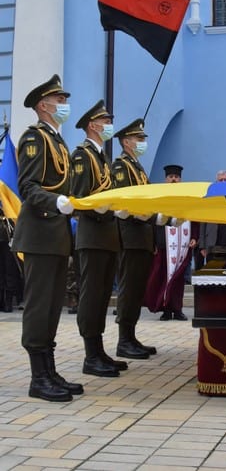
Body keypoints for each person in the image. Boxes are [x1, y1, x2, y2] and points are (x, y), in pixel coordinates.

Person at [12, 74, 83, 402]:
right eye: (61, 100)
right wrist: (56, 202)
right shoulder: (34, 138)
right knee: (40, 307)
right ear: (44, 105)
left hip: (55, 236)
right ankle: (38, 378)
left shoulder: (57, 139)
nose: (65, 105)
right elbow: (28, 187)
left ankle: (50, 370)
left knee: (53, 306)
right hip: (40, 234)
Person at [71, 100, 125, 378]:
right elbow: (80, 197)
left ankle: (100, 350)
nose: (109, 125)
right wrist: (101, 209)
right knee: (91, 296)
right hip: (92, 235)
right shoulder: (82, 155)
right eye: (105, 121)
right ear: (93, 125)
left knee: (104, 295)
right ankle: (90, 355)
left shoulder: (102, 155)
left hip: (107, 236)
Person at [111, 118, 157, 359]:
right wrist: (151, 217)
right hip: (130, 237)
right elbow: (125, 200)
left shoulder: (137, 166)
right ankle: (123, 340)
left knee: (137, 289)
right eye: (139, 139)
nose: (142, 143)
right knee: (129, 289)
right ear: (126, 142)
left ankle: (131, 336)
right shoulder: (121, 166)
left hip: (142, 237)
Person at [144, 165, 199, 321]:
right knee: (162, 277)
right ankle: (165, 309)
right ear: (166, 179)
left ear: (180, 179)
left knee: (179, 278)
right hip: (163, 244)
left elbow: (194, 218)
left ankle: (177, 309)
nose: (174, 179)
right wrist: (153, 242)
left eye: (176, 176)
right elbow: (153, 221)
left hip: (183, 244)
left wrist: (195, 236)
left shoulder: (186, 197)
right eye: (171, 177)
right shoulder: (159, 197)